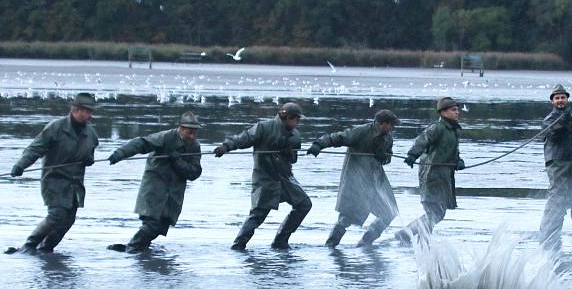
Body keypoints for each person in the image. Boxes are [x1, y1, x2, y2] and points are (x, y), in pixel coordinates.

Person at [5, 93, 99, 254]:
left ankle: (46, 248)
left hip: (75, 184)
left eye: (90, 111)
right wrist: (20, 165)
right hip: (54, 180)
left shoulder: (91, 134)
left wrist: (89, 159)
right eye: (85, 111)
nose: (88, 115)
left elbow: (89, 153)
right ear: (75, 110)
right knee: (57, 215)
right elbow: (35, 149)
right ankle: (29, 245)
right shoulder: (56, 127)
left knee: (69, 220)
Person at [214, 102, 311, 250]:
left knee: (304, 204)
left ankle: (281, 240)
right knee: (258, 214)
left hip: (285, 178)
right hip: (265, 178)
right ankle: (238, 245)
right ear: (287, 117)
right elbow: (243, 138)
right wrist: (226, 147)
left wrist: (289, 153)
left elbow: (293, 160)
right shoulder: (263, 128)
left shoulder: (295, 135)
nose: (298, 123)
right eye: (296, 119)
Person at [106, 112, 203, 253]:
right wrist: (121, 153)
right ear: (180, 128)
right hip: (154, 189)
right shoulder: (165, 137)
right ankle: (132, 249)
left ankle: (134, 247)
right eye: (189, 132)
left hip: (173, 194)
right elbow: (142, 143)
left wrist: (178, 161)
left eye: (195, 133)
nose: (192, 136)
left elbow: (194, 173)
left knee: (161, 226)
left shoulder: (195, 147)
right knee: (152, 224)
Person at [306, 110, 400, 248]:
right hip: (356, 182)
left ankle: (365, 243)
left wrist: (384, 157)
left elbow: (388, 158)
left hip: (377, 183)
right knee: (346, 217)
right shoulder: (361, 131)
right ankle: (330, 245)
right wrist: (319, 144)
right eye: (391, 125)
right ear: (382, 124)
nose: (393, 128)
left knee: (389, 213)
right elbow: (339, 138)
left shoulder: (388, 138)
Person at [395, 97, 465, 244]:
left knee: (437, 213)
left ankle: (415, 239)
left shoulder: (453, 130)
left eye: (457, 109)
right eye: (454, 110)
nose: (457, 112)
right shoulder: (437, 128)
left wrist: (458, 161)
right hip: (431, 175)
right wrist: (412, 155)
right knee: (435, 212)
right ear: (443, 112)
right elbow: (421, 140)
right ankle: (413, 238)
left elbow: (452, 150)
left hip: (444, 176)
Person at [538, 83, 572, 253]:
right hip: (557, 162)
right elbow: (554, 132)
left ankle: (555, 231)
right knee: (556, 196)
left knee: (567, 197)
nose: (560, 100)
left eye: (563, 97)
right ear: (552, 101)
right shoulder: (550, 119)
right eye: (557, 98)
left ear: (567, 99)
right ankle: (547, 233)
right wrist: (566, 117)